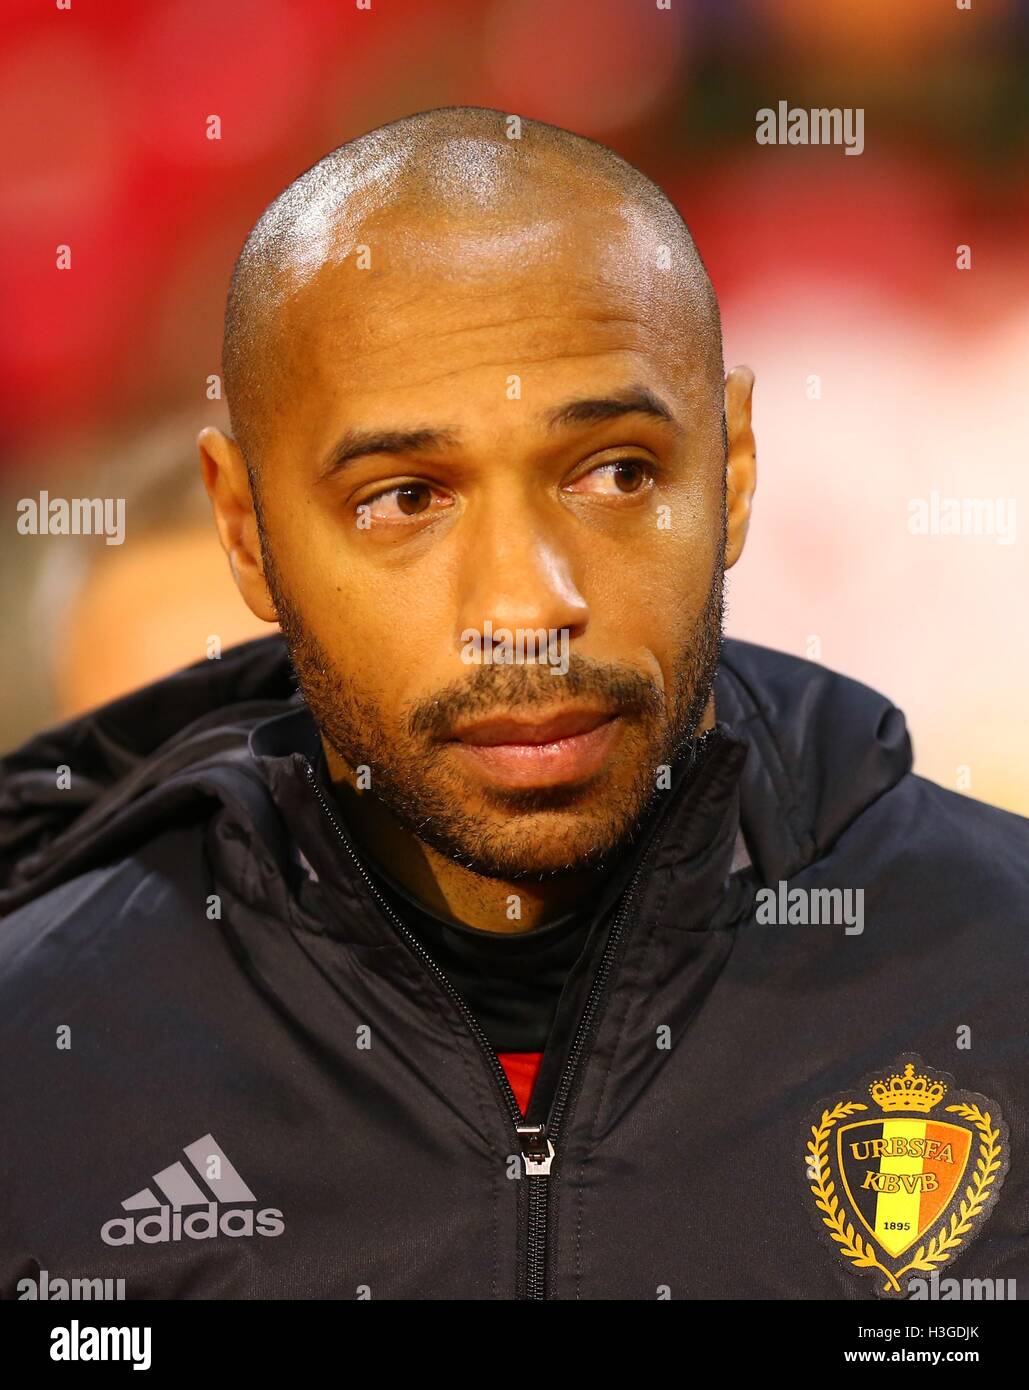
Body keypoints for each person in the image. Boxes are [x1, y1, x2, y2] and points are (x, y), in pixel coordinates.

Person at [1, 107, 1026, 1302]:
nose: (526, 606)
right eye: (403, 498)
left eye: (616, 472)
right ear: (245, 527)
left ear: (735, 470)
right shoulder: (39, 1065)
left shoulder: (1001, 976)